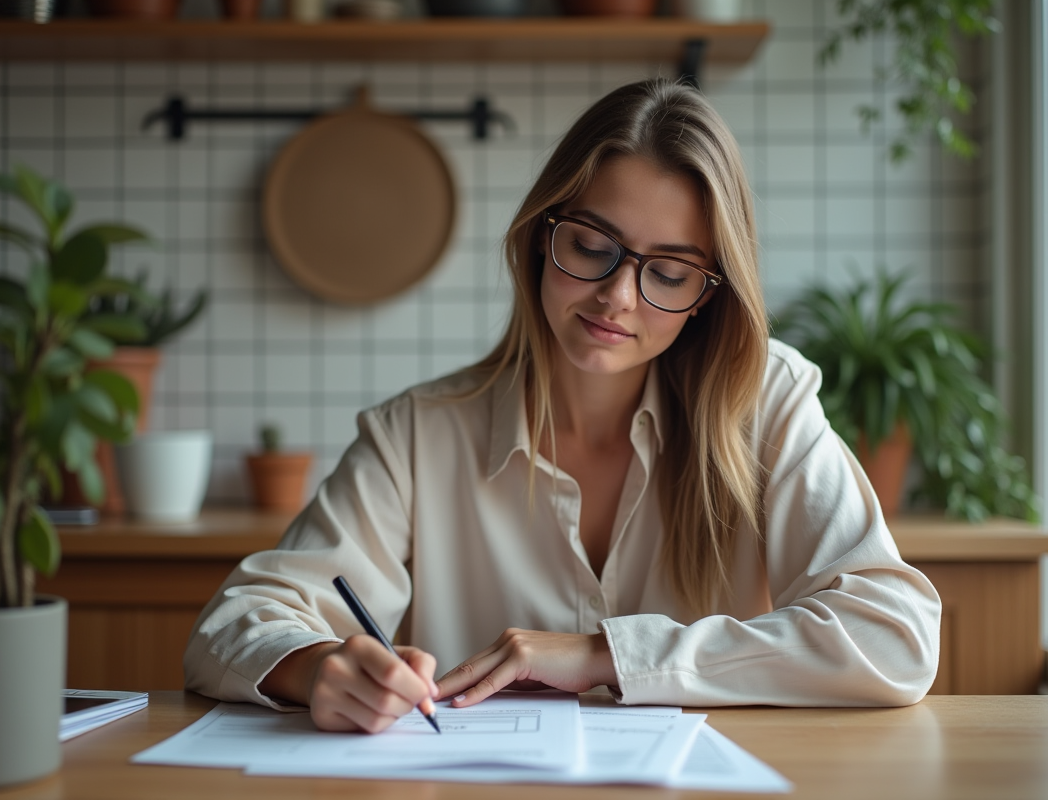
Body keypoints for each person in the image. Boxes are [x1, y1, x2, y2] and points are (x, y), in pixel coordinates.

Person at [184, 79, 942, 733]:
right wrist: (319, 666)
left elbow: (896, 636)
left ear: (707, 299)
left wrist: (604, 655)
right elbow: (231, 624)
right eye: (592, 244)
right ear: (540, 238)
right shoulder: (416, 433)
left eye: (669, 272)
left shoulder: (766, 402)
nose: (616, 295)